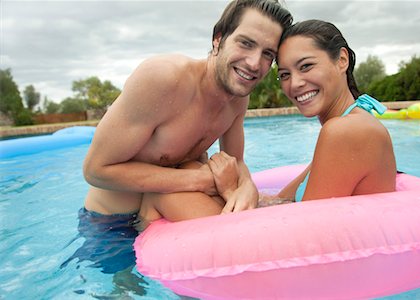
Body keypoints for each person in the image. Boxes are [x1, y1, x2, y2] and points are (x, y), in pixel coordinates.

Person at [63, 0, 293, 274]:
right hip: (112, 227)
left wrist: (246, 186)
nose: (255, 63)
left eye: (268, 54)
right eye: (245, 43)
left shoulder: (237, 99)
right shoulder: (163, 79)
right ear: (218, 39)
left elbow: (235, 161)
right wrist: (199, 180)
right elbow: (94, 170)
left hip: (165, 217)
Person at [272, 19, 397, 202]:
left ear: (342, 60)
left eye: (306, 66)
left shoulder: (344, 132)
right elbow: (276, 201)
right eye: (284, 75)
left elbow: (304, 224)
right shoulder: (351, 122)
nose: (294, 83)